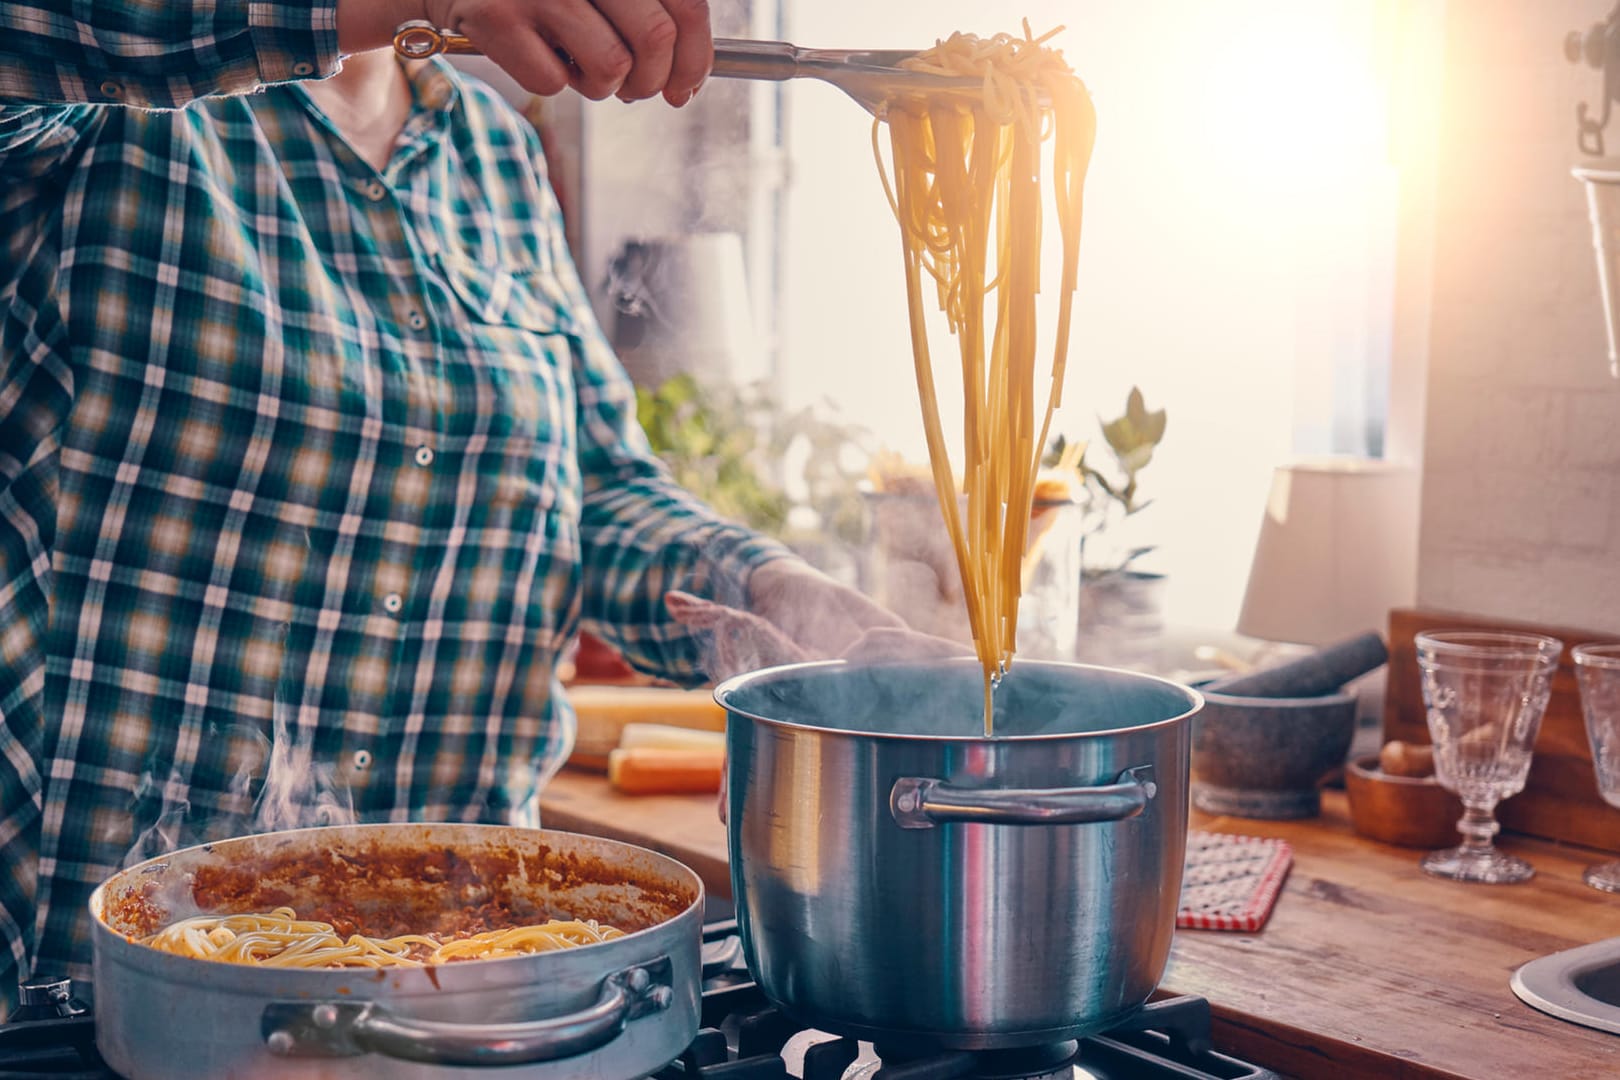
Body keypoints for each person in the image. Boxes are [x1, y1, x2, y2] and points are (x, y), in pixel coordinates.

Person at [0, 0, 906, 1009]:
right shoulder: (112, 98)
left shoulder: (491, 152)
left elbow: (592, 489)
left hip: (474, 990)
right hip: (104, 982)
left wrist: (775, 592)